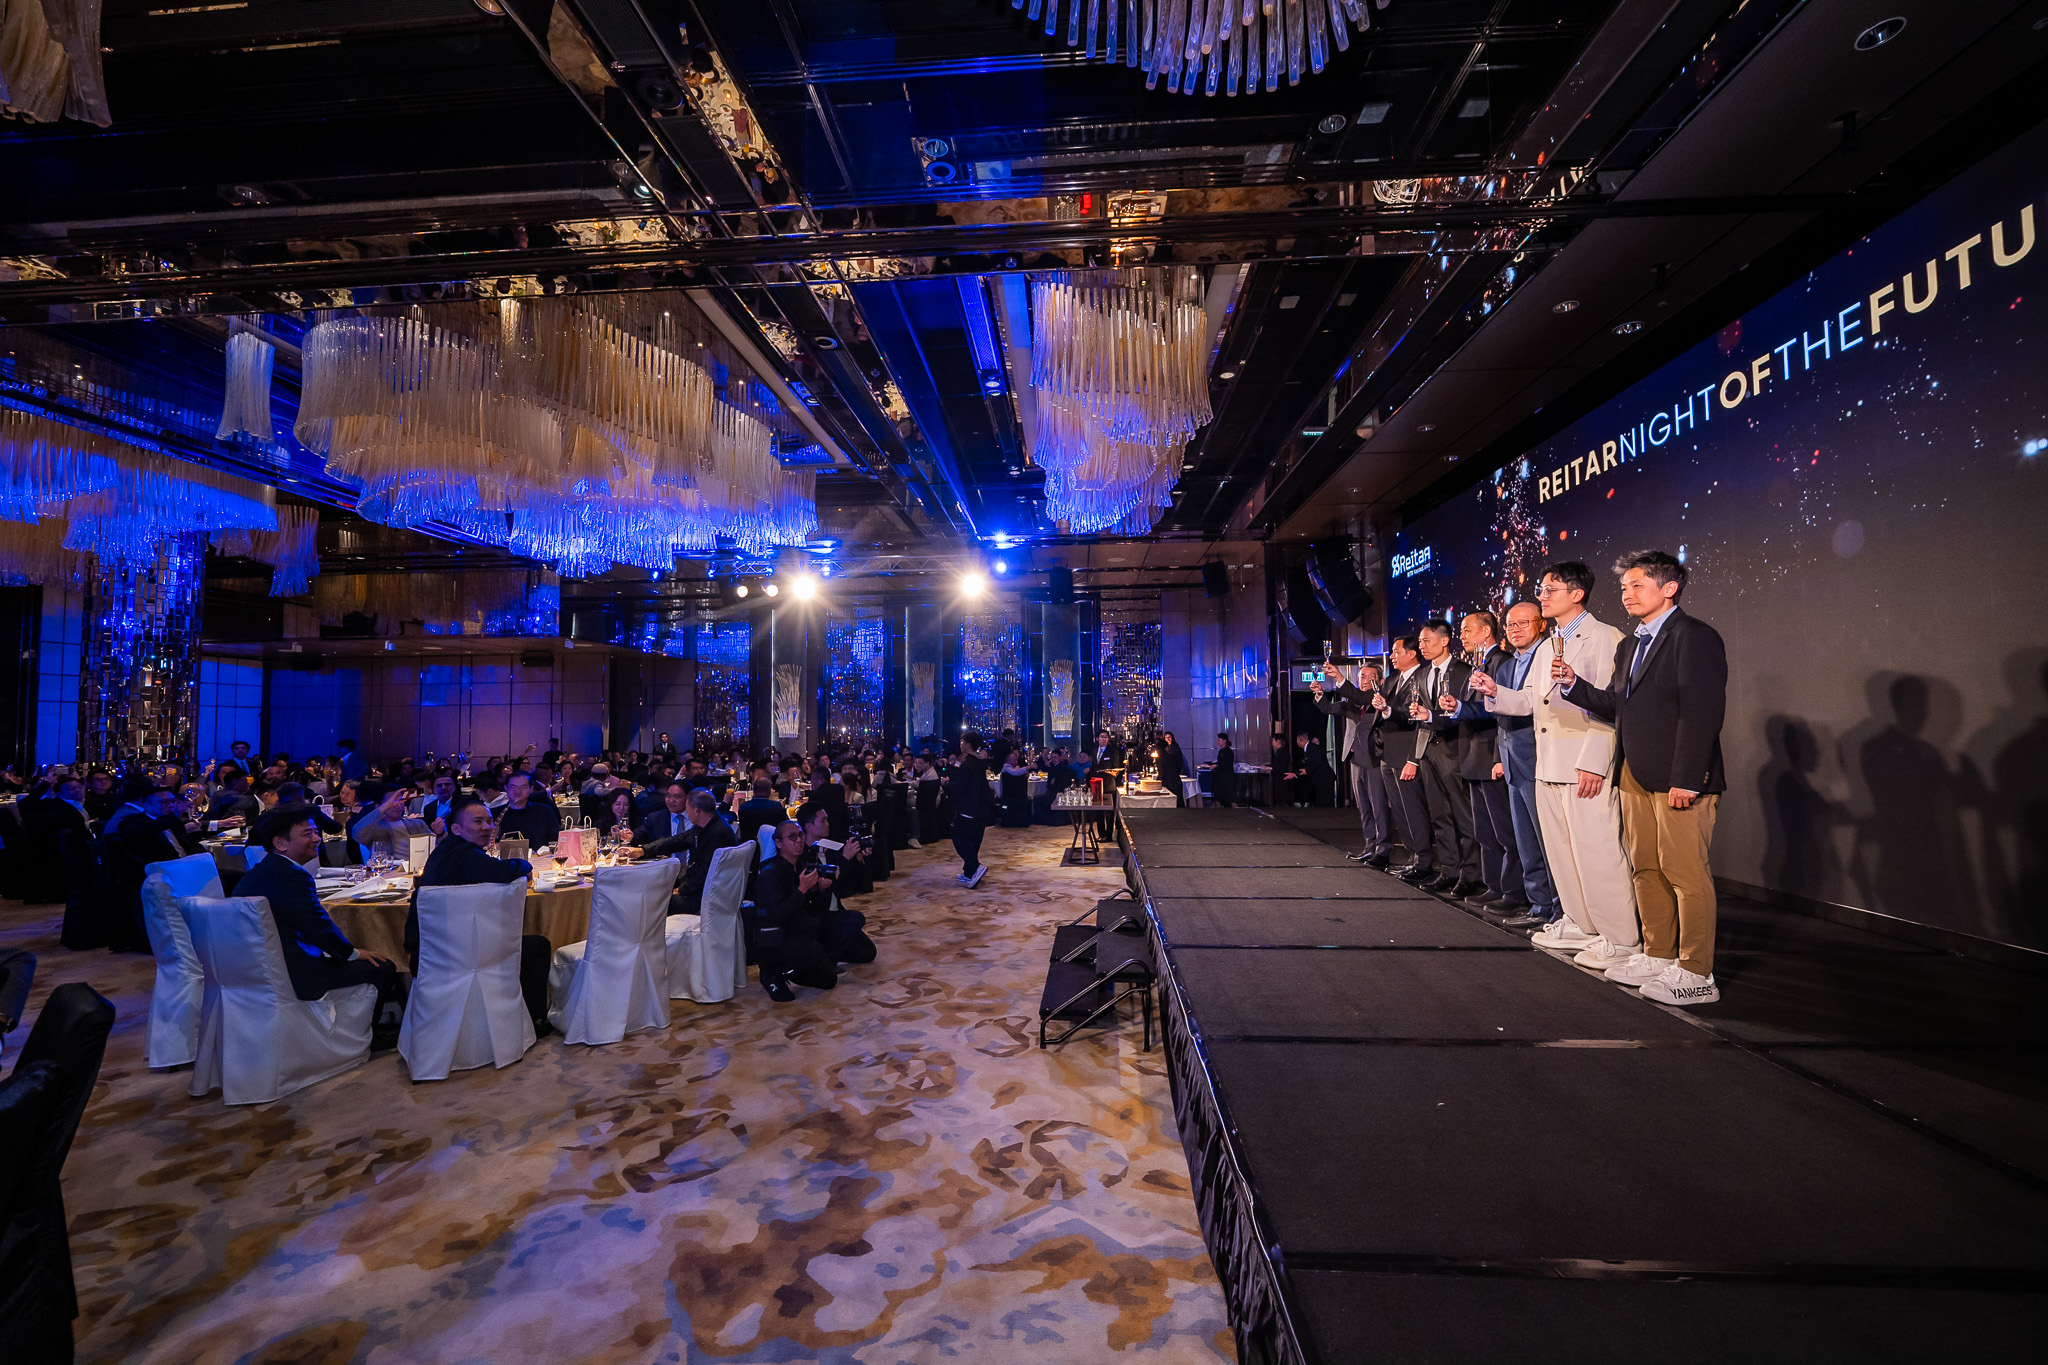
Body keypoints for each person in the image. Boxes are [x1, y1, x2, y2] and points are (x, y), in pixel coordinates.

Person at [1556, 550, 1727, 1005]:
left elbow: (1702, 713)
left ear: (1669, 588)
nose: (1627, 594)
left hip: (1679, 778)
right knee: (1646, 868)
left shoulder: (1694, 636)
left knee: (1686, 874)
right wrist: (1573, 684)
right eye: (1624, 587)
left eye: (1637, 585)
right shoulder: (1631, 645)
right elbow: (1619, 706)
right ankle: (1658, 953)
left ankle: (1697, 972)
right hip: (1635, 773)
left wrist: (1688, 777)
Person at [1471, 561, 1639, 968]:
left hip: (1583, 765)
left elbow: (1610, 706)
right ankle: (1580, 923)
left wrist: (1595, 762)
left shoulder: (1605, 637)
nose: (1542, 596)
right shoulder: (1549, 644)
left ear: (1576, 594)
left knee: (1598, 851)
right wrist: (1495, 692)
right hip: (1547, 765)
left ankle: (1621, 937)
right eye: (1542, 589)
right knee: (1562, 854)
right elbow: (1530, 702)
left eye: (1550, 590)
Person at [238, 805, 404, 1049]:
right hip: (294, 972)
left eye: (316, 832)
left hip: (256, 968)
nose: (317, 839)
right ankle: (365, 1035)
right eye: (308, 834)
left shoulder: (257, 873)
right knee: (383, 966)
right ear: (280, 843)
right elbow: (317, 926)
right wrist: (352, 953)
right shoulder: (293, 876)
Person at [410, 794, 551, 1032]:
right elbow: (502, 872)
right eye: (478, 822)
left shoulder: (445, 851)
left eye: (489, 821)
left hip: (433, 952)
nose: (487, 827)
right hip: (463, 953)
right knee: (538, 945)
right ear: (456, 828)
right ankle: (534, 1021)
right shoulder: (465, 854)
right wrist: (524, 864)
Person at [1467, 602, 1560, 927]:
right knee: (1526, 841)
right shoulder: (1509, 667)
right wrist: (1499, 757)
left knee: (1548, 841)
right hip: (1511, 760)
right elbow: (1500, 717)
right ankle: (1539, 905)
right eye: (1510, 624)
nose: (1515, 629)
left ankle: (1559, 910)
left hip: (1540, 760)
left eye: (1523, 623)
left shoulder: (1546, 657)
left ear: (1541, 625)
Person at [1440, 612, 1521, 909]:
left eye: (1467, 630)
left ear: (1486, 631)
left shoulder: (1502, 661)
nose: (1461, 635)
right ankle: (1494, 885)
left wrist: (1461, 707)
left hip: (1491, 756)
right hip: (1474, 756)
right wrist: (1456, 707)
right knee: (1485, 832)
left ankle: (1514, 892)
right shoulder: (1478, 664)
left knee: (1504, 832)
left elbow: (1501, 709)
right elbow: (1476, 706)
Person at [749, 819, 875, 1001]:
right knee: (817, 959)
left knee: (855, 925)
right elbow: (774, 916)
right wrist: (801, 890)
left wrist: (821, 890)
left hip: (807, 929)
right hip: (781, 938)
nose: (799, 840)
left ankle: (818, 958)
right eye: (792, 837)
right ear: (779, 843)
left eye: (800, 835)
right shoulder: (770, 873)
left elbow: (817, 908)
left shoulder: (803, 865)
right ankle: (774, 972)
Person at [1409, 620, 1482, 896]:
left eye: (1426, 640)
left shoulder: (1464, 671)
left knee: (1464, 816)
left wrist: (1432, 716)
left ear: (1444, 641)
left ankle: (1471, 874)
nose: (1422, 646)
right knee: (1439, 815)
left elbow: (1468, 711)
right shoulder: (1422, 674)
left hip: (1455, 749)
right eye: (1420, 641)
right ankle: (1449, 870)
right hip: (1429, 751)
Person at [1316, 661, 1391, 867]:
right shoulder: (1353, 702)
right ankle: (1370, 846)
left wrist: (1338, 677)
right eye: (1361, 677)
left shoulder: (1379, 699)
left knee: (1379, 807)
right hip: (1355, 760)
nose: (1364, 680)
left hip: (1374, 760)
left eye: (1370, 677)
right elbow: (1328, 708)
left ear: (1380, 681)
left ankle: (1383, 849)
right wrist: (1319, 694)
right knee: (1364, 807)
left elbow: (1361, 697)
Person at [627, 787, 738, 916]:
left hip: (708, 896)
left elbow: (706, 872)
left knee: (653, 902)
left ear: (696, 810)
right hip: (701, 888)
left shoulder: (718, 833)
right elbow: (678, 841)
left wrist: (682, 889)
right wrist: (643, 850)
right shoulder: (705, 825)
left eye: (687, 808)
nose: (686, 812)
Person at [1378, 634, 1434, 883]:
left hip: (1408, 753)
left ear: (1412, 654)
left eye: (1396, 651)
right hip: (1389, 753)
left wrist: (1413, 759)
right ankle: (1412, 856)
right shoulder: (1393, 679)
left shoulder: (1422, 677)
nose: (1392, 656)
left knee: (1414, 810)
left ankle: (1424, 860)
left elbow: (1414, 718)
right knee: (1400, 811)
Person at [950, 733, 994, 887]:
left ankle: (975, 867)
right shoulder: (979, 762)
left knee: (959, 837)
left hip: (969, 807)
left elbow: (961, 785)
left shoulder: (969, 763)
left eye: (962, 742)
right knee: (973, 839)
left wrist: (947, 784)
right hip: (981, 807)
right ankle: (969, 873)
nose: (961, 744)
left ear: (968, 744)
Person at [351, 783, 429, 863]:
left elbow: (432, 845)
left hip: (416, 867)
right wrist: (384, 807)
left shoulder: (417, 824)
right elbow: (357, 832)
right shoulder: (374, 828)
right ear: (379, 806)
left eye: (400, 800)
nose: (397, 805)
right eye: (391, 802)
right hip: (389, 868)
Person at [495, 772, 561, 848]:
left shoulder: (544, 811)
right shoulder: (496, 814)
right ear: (506, 788)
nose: (518, 791)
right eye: (513, 787)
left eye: (523, 787)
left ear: (531, 789)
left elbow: (555, 838)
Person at [734, 778, 787, 843]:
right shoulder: (777, 806)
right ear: (769, 791)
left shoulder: (744, 807)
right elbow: (784, 826)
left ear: (753, 791)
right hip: (771, 844)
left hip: (749, 845)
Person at [1155, 730, 1189, 807]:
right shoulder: (1163, 750)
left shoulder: (1175, 748)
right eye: (1166, 737)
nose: (1168, 739)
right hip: (1168, 777)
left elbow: (1179, 762)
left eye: (1169, 737)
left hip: (1173, 777)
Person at [1210, 733, 1237, 806]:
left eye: (1219, 740)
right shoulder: (1221, 751)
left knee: (1231, 799)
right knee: (1217, 798)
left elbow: (1226, 764)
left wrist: (1216, 766)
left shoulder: (1228, 751)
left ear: (1224, 741)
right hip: (1220, 778)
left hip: (1227, 778)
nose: (1217, 742)